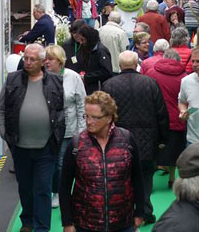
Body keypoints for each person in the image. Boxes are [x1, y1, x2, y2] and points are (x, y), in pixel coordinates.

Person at [0, 43, 65, 232]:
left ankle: (42, 227)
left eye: (32, 59)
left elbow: (60, 111)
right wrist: (4, 133)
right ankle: (27, 221)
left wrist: (58, 134)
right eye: (25, 58)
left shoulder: (55, 82)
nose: (27, 62)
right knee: (25, 187)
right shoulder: (12, 80)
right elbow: (1, 109)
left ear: (42, 62)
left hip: (46, 146)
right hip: (19, 146)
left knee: (42, 189)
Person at [59, 91, 145, 232]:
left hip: (122, 222)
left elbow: (137, 178)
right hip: (85, 224)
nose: (88, 122)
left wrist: (140, 212)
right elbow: (64, 186)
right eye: (86, 116)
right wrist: (67, 222)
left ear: (109, 117)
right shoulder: (76, 144)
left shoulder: (127, 139)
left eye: (95, 117)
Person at [102, 51, 169, 225]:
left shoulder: (109, 85)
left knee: (121, 178)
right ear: (136, 63)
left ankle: (124, 213)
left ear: (120, 64)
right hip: (148, 139)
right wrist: (163, 138)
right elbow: (161, 113)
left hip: (119, 140)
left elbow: (105, 114)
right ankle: (145, 211)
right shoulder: (150, 83)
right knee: (146, 178)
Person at [44, 45, 86, 209]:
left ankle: (59, 192)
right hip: (47, 129)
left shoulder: (73, 77)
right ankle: (52, 189)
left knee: (61, 163)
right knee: (50, 162)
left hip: (69, 129)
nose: (47, 62)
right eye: (45, 58)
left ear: (60, 61)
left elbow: (82, 104)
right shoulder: (42, 77)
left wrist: (82, 131)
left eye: (51, 59)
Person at [145, 48, 188, 189]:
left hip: (156, 120)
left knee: (153, 153)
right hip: (177, 120)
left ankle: (149, 181)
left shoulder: (151, 73)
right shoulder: (184, 77)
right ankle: (171, 178)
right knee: (175, 152)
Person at [73, 24, 113, 95]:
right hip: (86, 87)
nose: (81, 43)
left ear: (88, 38)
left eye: (82, 40)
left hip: (98, 88)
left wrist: (86, 77)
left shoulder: (100, 50)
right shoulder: (83, 48)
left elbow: (107, 71)